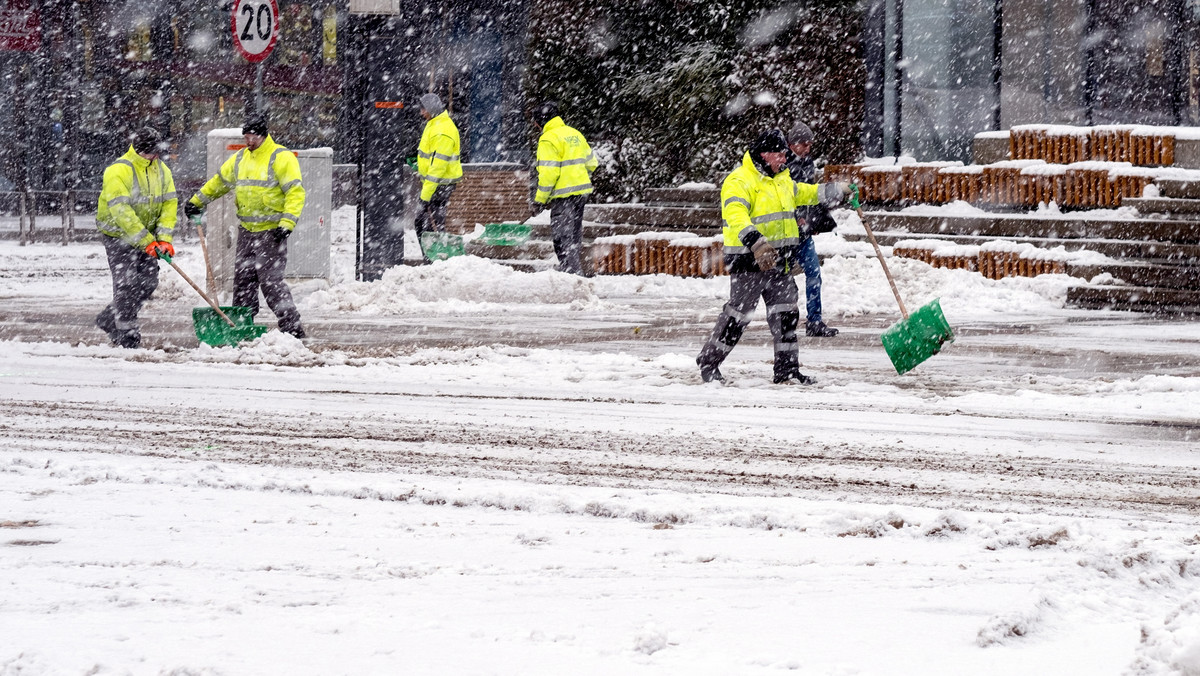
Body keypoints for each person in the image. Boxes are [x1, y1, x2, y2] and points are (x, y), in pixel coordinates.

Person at [695, 129, 849, 385]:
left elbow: (805, 193)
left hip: (779, 262)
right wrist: (756, 242)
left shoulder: (782, 179)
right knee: (738, 316)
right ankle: (709, 362)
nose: (784, 159)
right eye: (779, 154)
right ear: (764, 154)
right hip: (748, 261)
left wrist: (835, 190)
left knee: (786, 315)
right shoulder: (740, 180)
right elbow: (735, 215)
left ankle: (787, 371)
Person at [184, 112, 307, 339]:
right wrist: (196, 201)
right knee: (243, 280)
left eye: (253, 138)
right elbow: (219, 182)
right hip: (247, 230)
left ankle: (292, 327)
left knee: (270, 281)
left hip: (272, 231)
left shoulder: (280, 157)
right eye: (246, 137)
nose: (249, 142)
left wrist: (287, 223)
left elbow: (295, 192)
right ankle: (241, 324)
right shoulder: (240, 159)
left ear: (263, 135)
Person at [94, 127, 177, 349]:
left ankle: (110, 318)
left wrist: (164, 238)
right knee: (126, 284)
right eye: (150, 153)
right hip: (119, 235)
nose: (154, 157)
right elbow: (121, 211)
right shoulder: (119, 170)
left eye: (156, 153)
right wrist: (146, 241)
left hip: (147, 236)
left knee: (148, 283)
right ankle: (126, 334)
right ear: (140, 150)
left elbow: (169, 204)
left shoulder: (162, 171)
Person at [531, 101, 598, 275]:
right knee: (574, 236)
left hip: (563, 195)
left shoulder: (548, 138)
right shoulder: (574, 133)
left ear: (540, 121)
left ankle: (572, 275)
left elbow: (548, 174)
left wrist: (540, 198)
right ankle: (574, 272)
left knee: (562, 238)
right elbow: (592, 163)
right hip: (581, 193)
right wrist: (576, 175)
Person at [786, 122, 839, 338]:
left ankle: (814, 321)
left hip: (803, 233)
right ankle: (784, 321)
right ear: (792, 144)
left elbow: (810, 194)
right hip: (785, 234)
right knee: (781, 280)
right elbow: (781, 197)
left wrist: (814, 220)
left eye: (810, 144)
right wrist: (794, 217)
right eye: (804, 144)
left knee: (814, 273)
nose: (808, 148)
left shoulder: (808, 163)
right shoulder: (781, 166)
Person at [415, 93, 462, 260]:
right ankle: (435, 257)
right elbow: (431, 157)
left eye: (423, 109)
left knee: (426, 223)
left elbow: (438, 167)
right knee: (433, 223)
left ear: (431, 109)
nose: (421, 113)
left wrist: (424, 196)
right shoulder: (434, 124)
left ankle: (435, 259)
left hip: (440, 184)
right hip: (437, 184)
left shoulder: (442, 130)